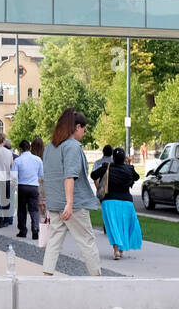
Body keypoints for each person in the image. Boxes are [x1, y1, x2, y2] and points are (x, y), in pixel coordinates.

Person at [40, 108, 102, 276]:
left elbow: (48, 176)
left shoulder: (50, 148)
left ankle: (47, 275)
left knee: (54, 241)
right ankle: (98, 278)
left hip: (54, 203)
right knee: (87, 241)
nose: (84, 132)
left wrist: (49, 202)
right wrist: (69, 203)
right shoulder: (72, 147)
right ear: (77, 127)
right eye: (84, 129)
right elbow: (70, 176)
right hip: (72, 204)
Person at [97, 147, 142, 260]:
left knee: (113, 226)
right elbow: (137, 177)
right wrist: (128, 164)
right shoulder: (129, 169)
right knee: (125, 226)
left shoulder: (106, 167)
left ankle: (116, 249)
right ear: (124, 158)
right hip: (126, 202)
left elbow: (93, 175)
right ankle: (121, 250)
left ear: (113, 158)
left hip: (109, 201)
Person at [12, 139, 43, 239]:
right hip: (34, 186)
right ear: (30, 148)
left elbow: (13, 176)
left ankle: (22, 230)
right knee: (34, 209)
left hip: (22, 186)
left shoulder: (17, 160)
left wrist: (15, 186)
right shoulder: (38, 159)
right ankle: (35, 228)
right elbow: (41, 174)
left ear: (20, 149)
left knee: (21, 209)